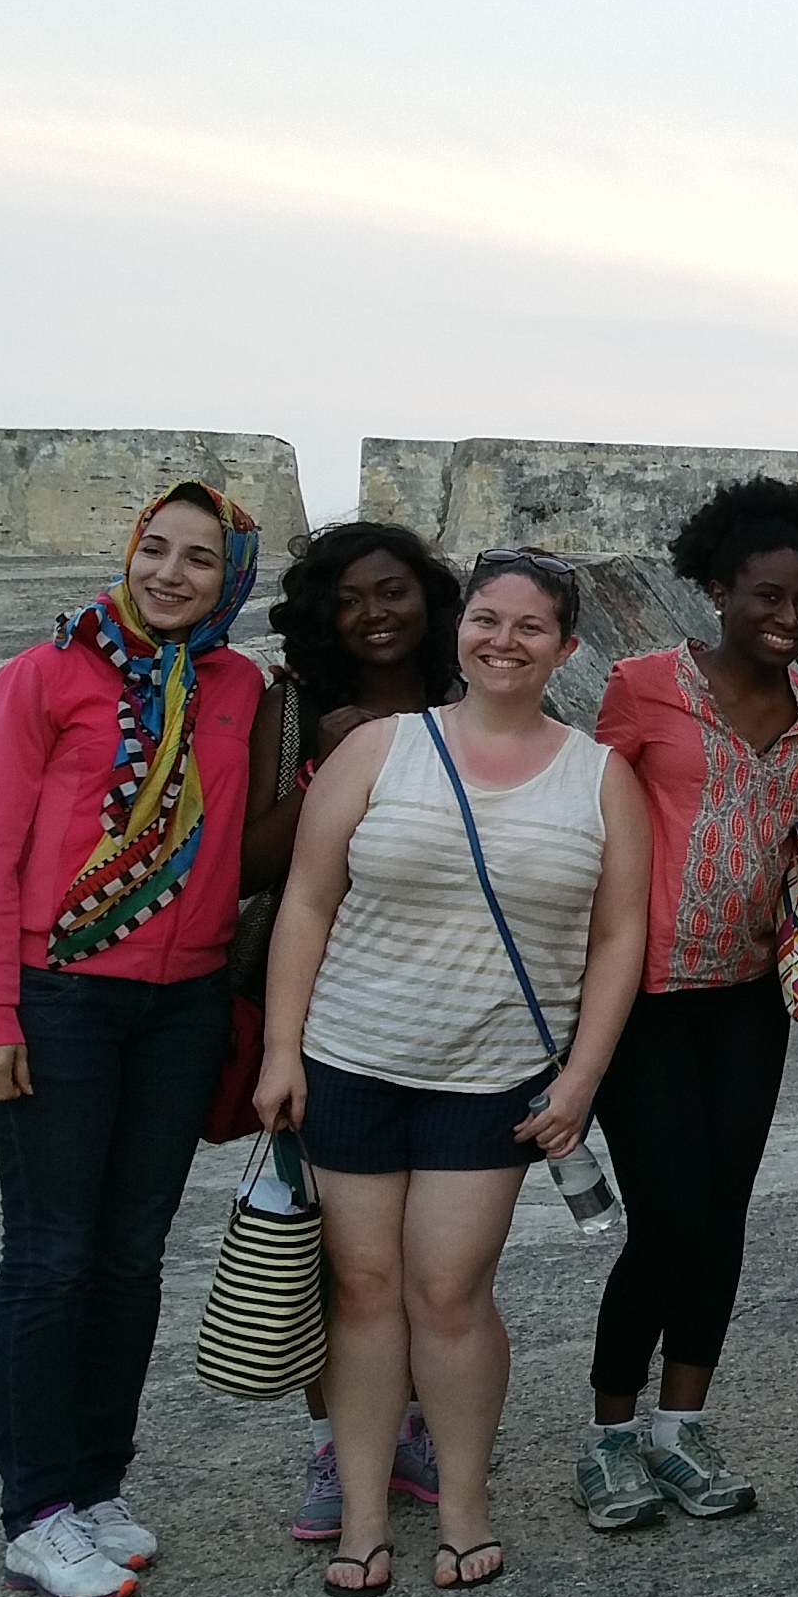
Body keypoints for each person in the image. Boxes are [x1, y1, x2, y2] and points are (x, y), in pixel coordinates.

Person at [255, 550, 651, 1596]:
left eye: (530, 627)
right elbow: (307, 901)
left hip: (493, 1076)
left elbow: (619, 937)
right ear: (460, 629)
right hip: (352, 1059)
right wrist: (283, 1050)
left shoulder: (599, 777)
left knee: (449, 1293)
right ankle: (364, 1516)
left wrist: (580, 1081)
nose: (503, 641)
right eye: (487, 619)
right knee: (363, 1290)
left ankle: (464, 1505)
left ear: (565, 648)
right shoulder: (380, 749)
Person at [0, 481, 264, 1597]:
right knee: (52, 1256)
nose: (170, 574)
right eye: (155, 550)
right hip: (61, 999)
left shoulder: (239, 687)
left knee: (132, 1255)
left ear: (230, 579)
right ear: (130, 553)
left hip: (181, 1007)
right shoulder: (46, 676)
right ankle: (36, 1513)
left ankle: (95, 1486)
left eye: (199, 558)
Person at [581, 475, 798, 1529]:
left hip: (747, 996)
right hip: (640, 995)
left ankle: (679, 1427)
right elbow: (585, 821)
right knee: (670, 1218)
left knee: (725, 1215)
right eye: (766, 596)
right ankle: (611, 1436)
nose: (787, 618)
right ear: (716, 590)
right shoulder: (641, 686)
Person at [242, 520, 467, 1544]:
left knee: (439, 1254)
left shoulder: (473, 698)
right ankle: (337, 1444)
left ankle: (412, 1425)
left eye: (393, 591)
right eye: (349, 599)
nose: (374, 614)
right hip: (330, 1007)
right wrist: (333, 763)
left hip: (459, 1009)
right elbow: (252, 863)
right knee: (342, 1254)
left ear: (429, 599)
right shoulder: (295, 710)